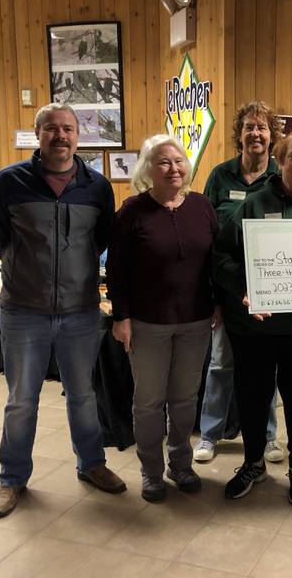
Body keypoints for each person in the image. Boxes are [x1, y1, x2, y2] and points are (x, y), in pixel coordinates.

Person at [0, 103, 125, 519]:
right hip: (22, 311)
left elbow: (100, 242)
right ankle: (12, 479)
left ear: (77, 135)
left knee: (83, 395)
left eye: (67, 129)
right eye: (51, 129)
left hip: (80, 312)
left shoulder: (97, 187)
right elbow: (0, 239)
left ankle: (92, 464)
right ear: (37, 133)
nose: (60, 136)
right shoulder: (9, 183)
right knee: (21, 400)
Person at [215, 130, 292, 506]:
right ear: (279, 160)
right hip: (255, 326)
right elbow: (222, 257)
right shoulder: (252, 204)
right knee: (253, 395)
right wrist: (243, 289)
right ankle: (253, 462)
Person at [106, 135, 220, 502]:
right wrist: (121, 317)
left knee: (185, 399)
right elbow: (117, 270)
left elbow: (216, 261)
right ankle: (151, 472)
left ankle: (181, 465)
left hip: (196, 321)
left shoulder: (202, 207)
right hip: (148, 324)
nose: (174, 169)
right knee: (149, 402)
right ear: (148, 170)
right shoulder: (131, 212)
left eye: (179, 161)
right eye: (164, 162)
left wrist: (218, 302)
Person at [194, 101, 285, 464]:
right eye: (249, 127)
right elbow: (205, 236)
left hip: (270, 292)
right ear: (239, 135)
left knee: (268, 369)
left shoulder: (282, 177)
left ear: (272, 136)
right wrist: (214, 297)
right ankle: (209, 436)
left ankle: (270, 439)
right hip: (229, 292)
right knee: (220, 364)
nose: (256, 133)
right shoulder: (220, 176)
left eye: (262, 128)